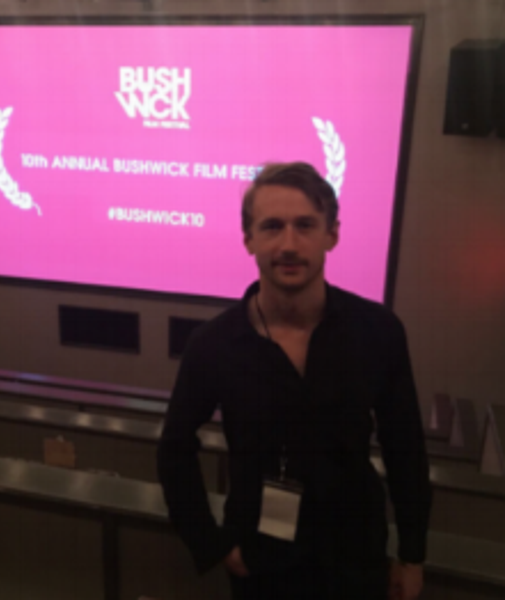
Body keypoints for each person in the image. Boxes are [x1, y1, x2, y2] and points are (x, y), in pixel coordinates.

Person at [157, 162, 432, 600]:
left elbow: (406, 448)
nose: (288, 244)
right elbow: (174, 449)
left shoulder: (378, 330)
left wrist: (412, 554)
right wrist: (211, 541)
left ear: (332, 234)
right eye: (272, 227)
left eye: (305, 225)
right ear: (248, 239)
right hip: (260, 561)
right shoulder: (212, 344)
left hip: (356, 557)